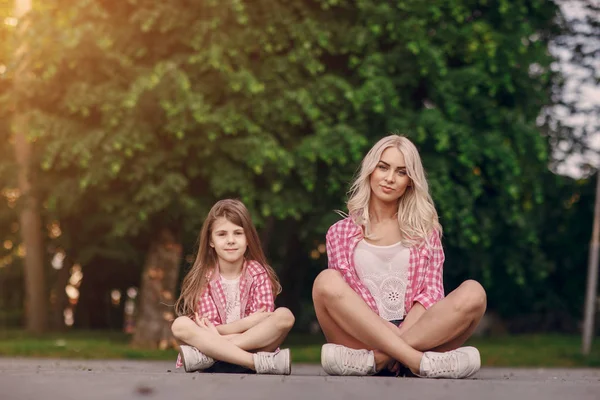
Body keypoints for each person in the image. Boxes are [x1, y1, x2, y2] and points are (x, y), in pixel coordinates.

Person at [313, 134, 487, 378]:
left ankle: (378, 361)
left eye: (401, 172)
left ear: (410, 181)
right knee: (326, 281)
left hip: (421, 331)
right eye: (383, 167)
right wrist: (393, 340)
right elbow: (348, 298)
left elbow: (431, 294)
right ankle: (418, 362)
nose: (390, 178)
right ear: (370, 170)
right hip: (360, 336)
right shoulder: (339, 232)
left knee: (474, 292)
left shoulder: (425, 230)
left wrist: (400, 337)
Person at [171, 199, 295, 375]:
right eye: (221, 234)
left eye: (238, 233)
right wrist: (248, 322)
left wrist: (214, 340)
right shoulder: (203, 277)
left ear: (247, 239)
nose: (230, 240)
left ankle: (209, 355)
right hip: (252, 356)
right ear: (211, 241)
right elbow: (209, 325)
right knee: (180, 324)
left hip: (250, 348)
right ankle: (254, 363)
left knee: (285, 316)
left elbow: (262, 323)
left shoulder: (257, 272)